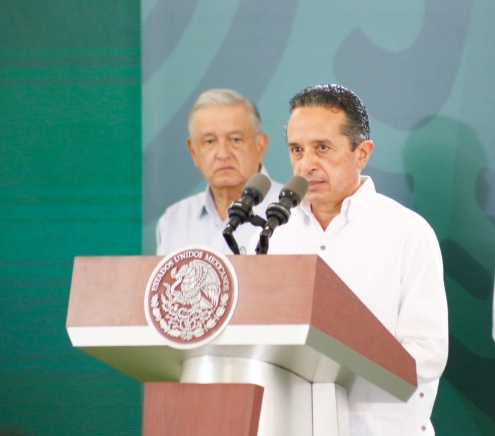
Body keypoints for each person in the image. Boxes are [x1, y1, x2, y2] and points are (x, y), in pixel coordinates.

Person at [253, 84, 449, 435]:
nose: (306, 164)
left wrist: (334, 366)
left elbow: (427, 355)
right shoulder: (272, 234)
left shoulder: (407, 233)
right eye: (297, 150)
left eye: (322, 148)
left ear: (362, 153)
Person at [156, 88, 283, 255]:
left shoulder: (293, 212)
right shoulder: (174, 220)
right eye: (210, 141)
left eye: (235, 139)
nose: (223, 154)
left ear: (260, 146)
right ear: (194, 151)